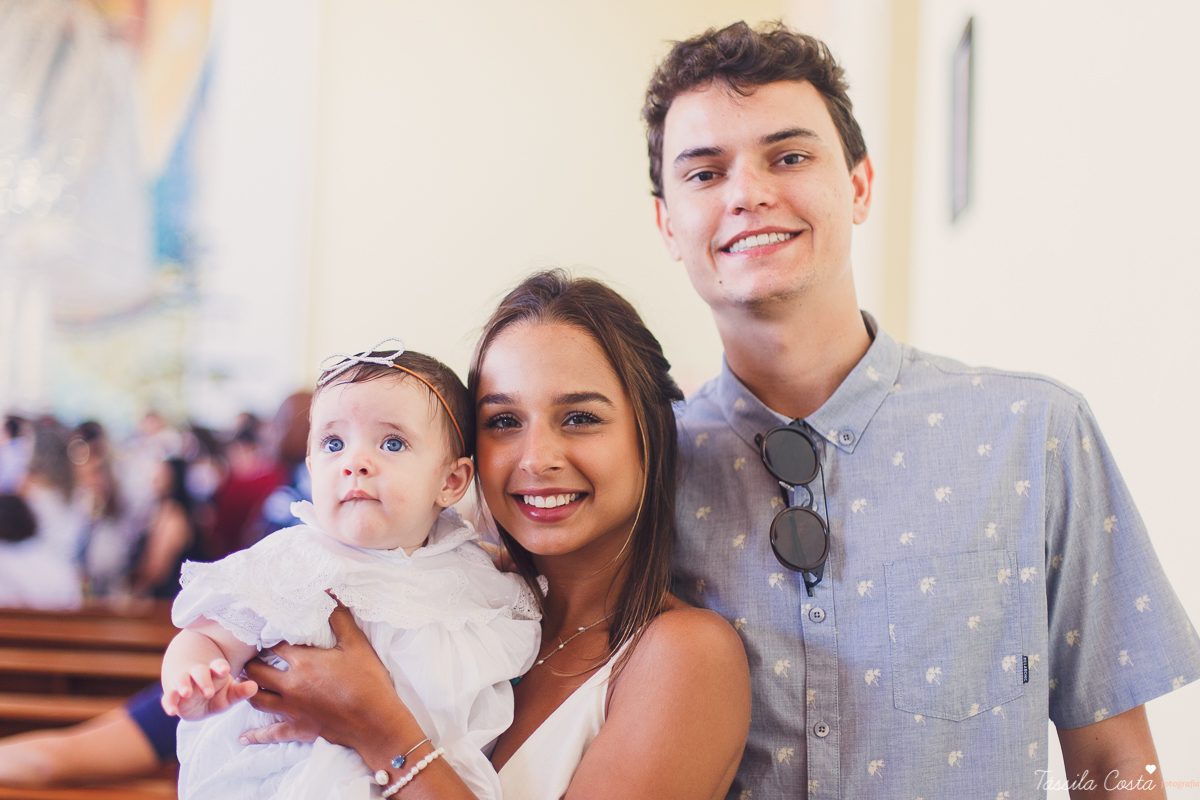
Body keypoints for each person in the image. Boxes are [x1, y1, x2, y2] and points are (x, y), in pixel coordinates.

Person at [645, 21, 1200, 798]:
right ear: (668, 222)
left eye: (790, 156)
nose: (748, 194)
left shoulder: (1034, 435)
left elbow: (1118, 765)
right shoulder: (642, 472)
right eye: (704, 174)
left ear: (861, 185)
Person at [236, 274, 750, 799]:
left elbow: (369, 721)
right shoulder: (449, 596)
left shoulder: (685, 655)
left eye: (578, 417)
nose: (535, 458)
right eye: (504, 421)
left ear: (650, 433)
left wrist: (377, 730)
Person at [160, 344, 541, 799]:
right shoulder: (293, 560)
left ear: (451, 481)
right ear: (310, 466)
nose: (354, 462)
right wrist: (195, 677)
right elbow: (206, 636)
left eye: (392, 443)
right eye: (333, 443)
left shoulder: (473, 577)